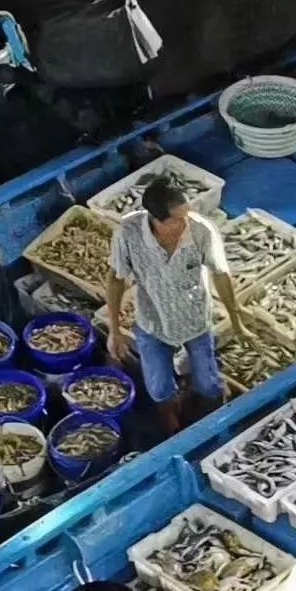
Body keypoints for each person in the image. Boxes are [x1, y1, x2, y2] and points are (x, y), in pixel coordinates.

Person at [106, 177, 246, 434]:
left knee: (209, 385)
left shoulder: (201, 230)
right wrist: (115, 330)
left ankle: (204, 405)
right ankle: (171, 421)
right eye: (177, 220)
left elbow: (220, 274)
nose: (186, 223)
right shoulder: (128, 233)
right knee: (159, 389)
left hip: (195, 320)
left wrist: (236, 320)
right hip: (152, 322)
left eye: (187, 215)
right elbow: (116, 280)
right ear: (156, 220)